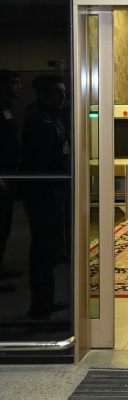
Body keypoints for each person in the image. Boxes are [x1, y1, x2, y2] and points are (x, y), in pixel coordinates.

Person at [20, 73, 70, 319]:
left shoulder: (55, 116)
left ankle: (45, 302)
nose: (62, 96)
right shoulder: (37, 119)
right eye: (57, 92)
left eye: (64, 92)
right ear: (43, 94)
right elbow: (38, 160)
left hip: (56, 189)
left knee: (52, 249)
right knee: (43, 250)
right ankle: (39, 309)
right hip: (43, 193)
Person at [0, 69, 23, 292]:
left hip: (9, 173)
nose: (19, 87)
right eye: (15, 83)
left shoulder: (6, 108)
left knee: (4, 224)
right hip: (2, 176)